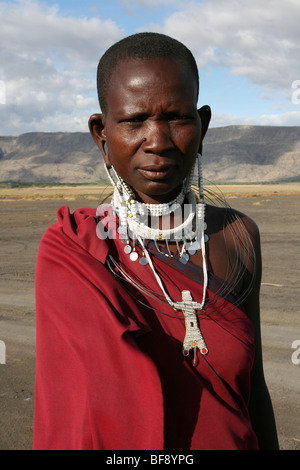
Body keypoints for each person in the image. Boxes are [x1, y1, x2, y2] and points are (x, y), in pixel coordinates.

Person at [33, 32, 279, 450]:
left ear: (202, 125)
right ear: (102, 134)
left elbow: (252, 388)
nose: (159, 141)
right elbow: (68, 408)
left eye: (178, 118)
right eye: (133, 120)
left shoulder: (238, 236)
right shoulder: (74, 249)